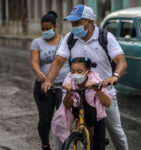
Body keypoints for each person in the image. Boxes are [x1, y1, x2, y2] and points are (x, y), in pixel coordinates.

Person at [42, 4, 129, 150]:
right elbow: (58, 61)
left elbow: (121, 61)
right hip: (78, 94)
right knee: (59, 126)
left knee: (116, 131)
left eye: (77, 23)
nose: (73, 26)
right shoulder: (71, 38)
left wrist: (114, 77)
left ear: (89, 22)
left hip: (103, 93)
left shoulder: (105, 37)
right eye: (72, 23)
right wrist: (48, 81)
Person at [52, 57, 112, 150]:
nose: (75, 74)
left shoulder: (95, 80)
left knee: (99, 144)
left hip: (95, 115)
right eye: (73, 71)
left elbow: (107, 103)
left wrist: (97, 90)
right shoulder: (68, 80)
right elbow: (67, 106)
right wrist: (68, 92)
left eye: (79, 72)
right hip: (77, 110)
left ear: (87, 72)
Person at [30, 11, 70, 150]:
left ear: (55, 27)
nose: (45, 31)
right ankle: (45, 144)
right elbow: (34, 61)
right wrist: (38, 72)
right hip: (44, 87)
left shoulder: (65, 40)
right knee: (45, 119)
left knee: (63, 120)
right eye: (43, 29)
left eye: (48, 28)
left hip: (63, 87)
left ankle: (64, 145)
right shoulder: (37, 42)